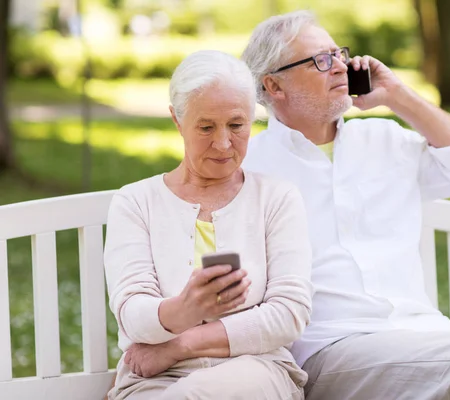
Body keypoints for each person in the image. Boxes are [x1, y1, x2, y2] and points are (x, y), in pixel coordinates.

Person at [241, 10, 450, 400]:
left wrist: (397, 96)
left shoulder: (386, 140)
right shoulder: (249, 166)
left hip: (427, 340)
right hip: (330, 351)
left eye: (339, 54)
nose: (339, 67)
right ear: (274, 86)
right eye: (320, 60)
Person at [103, 50, 312, 400]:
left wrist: (177, 346)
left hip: (254, 371)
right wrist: (185, 308)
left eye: (236, 125)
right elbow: (131, 314)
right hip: (153, 378)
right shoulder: (135, 202)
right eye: (205, 127)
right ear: (176, 120)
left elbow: (289, 314)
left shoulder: (277, 198)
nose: (223, 143)